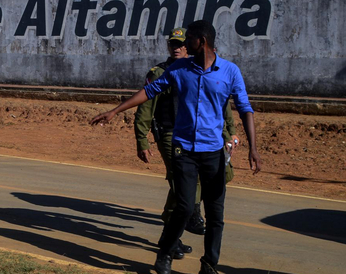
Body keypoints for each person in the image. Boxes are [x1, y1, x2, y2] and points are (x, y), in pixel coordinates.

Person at [91, 20, 262, 274]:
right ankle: (165, 253)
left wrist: (253, 148)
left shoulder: (230, 72)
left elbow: (245, 109)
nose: (183, 44)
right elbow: (149, 92)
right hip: (185, 152)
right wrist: (115, 111)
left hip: (213, 153)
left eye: (189, 38)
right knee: (184, 207)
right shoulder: (180, 69)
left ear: (201, 41)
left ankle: (209, 265)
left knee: (215, 215)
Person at [133, 28, 240, 260]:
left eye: (182, 44)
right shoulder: (162, 72)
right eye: (173, 44)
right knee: (180, 187)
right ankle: (171, 236)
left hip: (203, 138)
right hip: (172, 136)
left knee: (212, 179)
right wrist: (142, 139)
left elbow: (221, 105)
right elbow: (145, 106)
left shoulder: (208, 70)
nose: (178, 48)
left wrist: (229, 132)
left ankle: (187, 220)